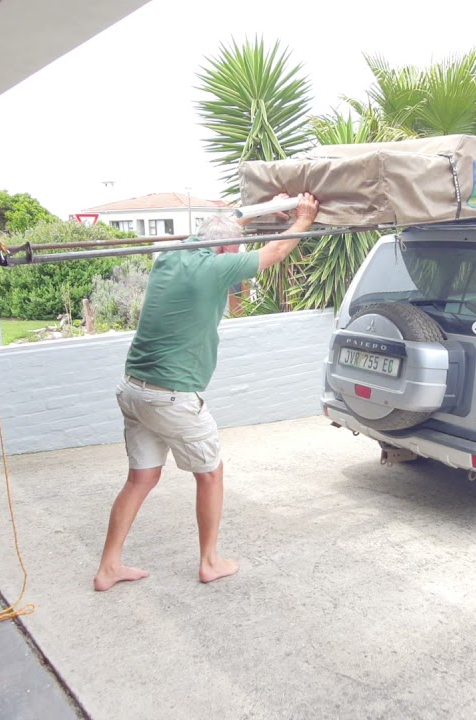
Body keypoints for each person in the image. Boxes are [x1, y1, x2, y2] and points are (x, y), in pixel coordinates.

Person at [93, 192, 320, 591]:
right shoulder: (215, 268)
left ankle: (109, 566)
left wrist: (264, 208)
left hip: (133, 390)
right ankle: (210, 562)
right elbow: (276, 251)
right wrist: (304, 217)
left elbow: (225, 224)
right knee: (210, 474)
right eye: (233, 248)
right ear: (225, 250)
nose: (235, 253)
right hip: (172, 396)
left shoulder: (173, 255)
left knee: (141, 479)